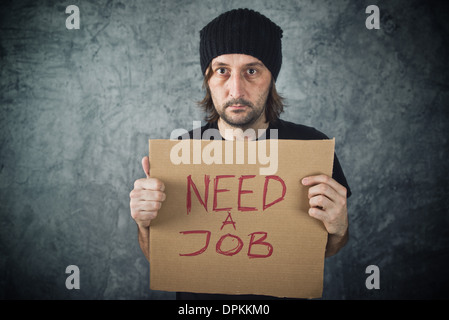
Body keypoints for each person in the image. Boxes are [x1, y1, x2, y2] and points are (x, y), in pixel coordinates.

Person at [129, 8, 351, 299]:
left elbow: (326, 249)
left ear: (272, 76)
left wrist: (339, 228)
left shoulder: (311, 148)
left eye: (252, 70)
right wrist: (144, 224)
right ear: (208, 78)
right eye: (222, 70)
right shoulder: (180, 153)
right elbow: (161, 256)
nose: (236, 89)